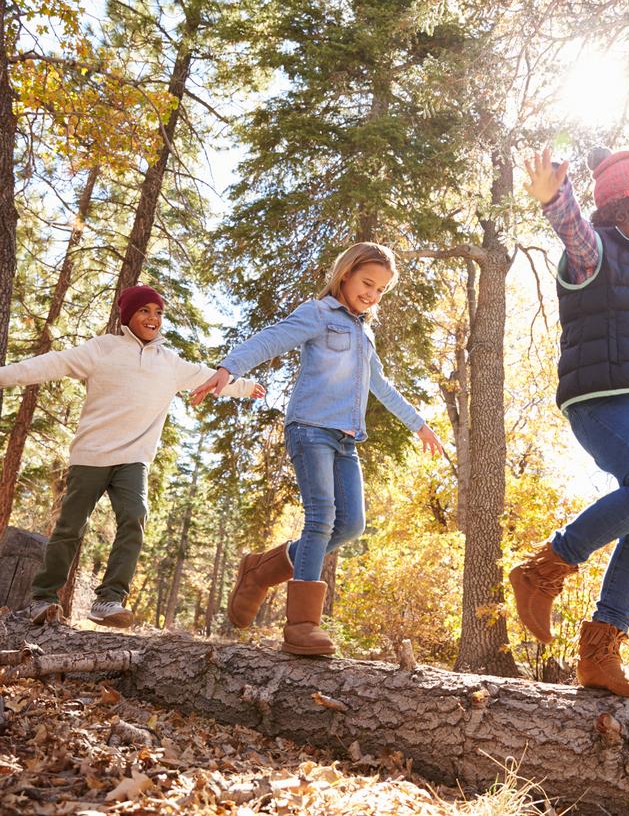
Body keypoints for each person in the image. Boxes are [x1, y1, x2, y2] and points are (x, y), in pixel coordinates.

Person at [191, 241, 444, 656]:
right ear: (345, 274)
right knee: (322, 517)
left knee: (351, 525)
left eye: (381, 290)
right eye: (367, 283)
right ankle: (302, 625)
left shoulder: (364, 332)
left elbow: (380, 385)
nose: (372, 295)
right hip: (310, 428)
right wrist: (227, 368)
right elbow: (271, 339)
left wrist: (419, 424)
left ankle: (260, 570)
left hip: (346, 439)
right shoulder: (318, 314)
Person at [510, 147, 629, 697]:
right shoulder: (599, 253)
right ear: (622, 205)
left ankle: (600, 653)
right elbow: (573, 232)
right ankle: (543, 569)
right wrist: (554, 199)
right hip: (601, 399)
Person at [2, 285, 265, 628]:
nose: (153, 318)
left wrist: (244, 387)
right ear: (128, 316)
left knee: (135, 516)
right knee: (70, 527)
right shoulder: (102, 349)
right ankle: (44, 598)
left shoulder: (170, 363)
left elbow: (209, 378)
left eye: (158, 312)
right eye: (144, 311)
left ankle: (109, 599)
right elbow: (49, 364)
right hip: (91, 455)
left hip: (134, 459)